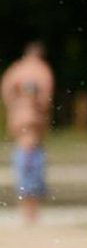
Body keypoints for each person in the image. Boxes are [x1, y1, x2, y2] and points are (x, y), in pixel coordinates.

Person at [2, 42, 54, 224]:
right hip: (33, 132)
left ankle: (27, 215)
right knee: (33, 178)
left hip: (21, 131)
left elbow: (6, 90)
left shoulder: (16, 69)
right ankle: (33, 215)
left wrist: (16, 104)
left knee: (25, 177)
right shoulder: (42, 70)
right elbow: (47, 98)